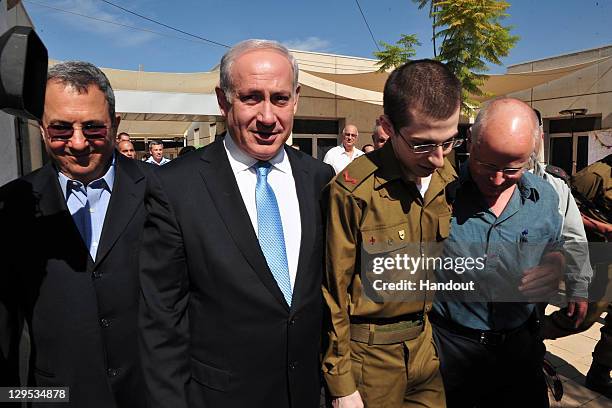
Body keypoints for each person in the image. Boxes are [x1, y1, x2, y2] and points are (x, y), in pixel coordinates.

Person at [139, 39, 334, 408]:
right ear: (223, 100)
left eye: (279, 98)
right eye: (250, 98)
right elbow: (161, 324)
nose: (266, 116)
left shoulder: (319, 178)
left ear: (296, 99)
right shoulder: (175, 187)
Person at [0, 61, 149, 407]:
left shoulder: (163, 192)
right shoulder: (11, 208)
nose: (79, 143)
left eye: (94, 128)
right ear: (41, 128)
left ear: (116, 124)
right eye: (61, 129)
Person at [322, 59, 463, 408]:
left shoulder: (447, 178)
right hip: (370, 359)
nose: (438, 159)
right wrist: (341, 383)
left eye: (448, 142)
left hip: (426, 349)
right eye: (421, 144)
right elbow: (332, 293)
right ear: (387, 126)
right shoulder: (353, 192)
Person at [430, 98, 564, 407]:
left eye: (512, 168)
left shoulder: (542, 196)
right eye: (488, 165)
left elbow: (555, 245)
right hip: (451, 355)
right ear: (471, 143)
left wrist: (555, 265)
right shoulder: (435, 194)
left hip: (521, 353)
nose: (497, 179)